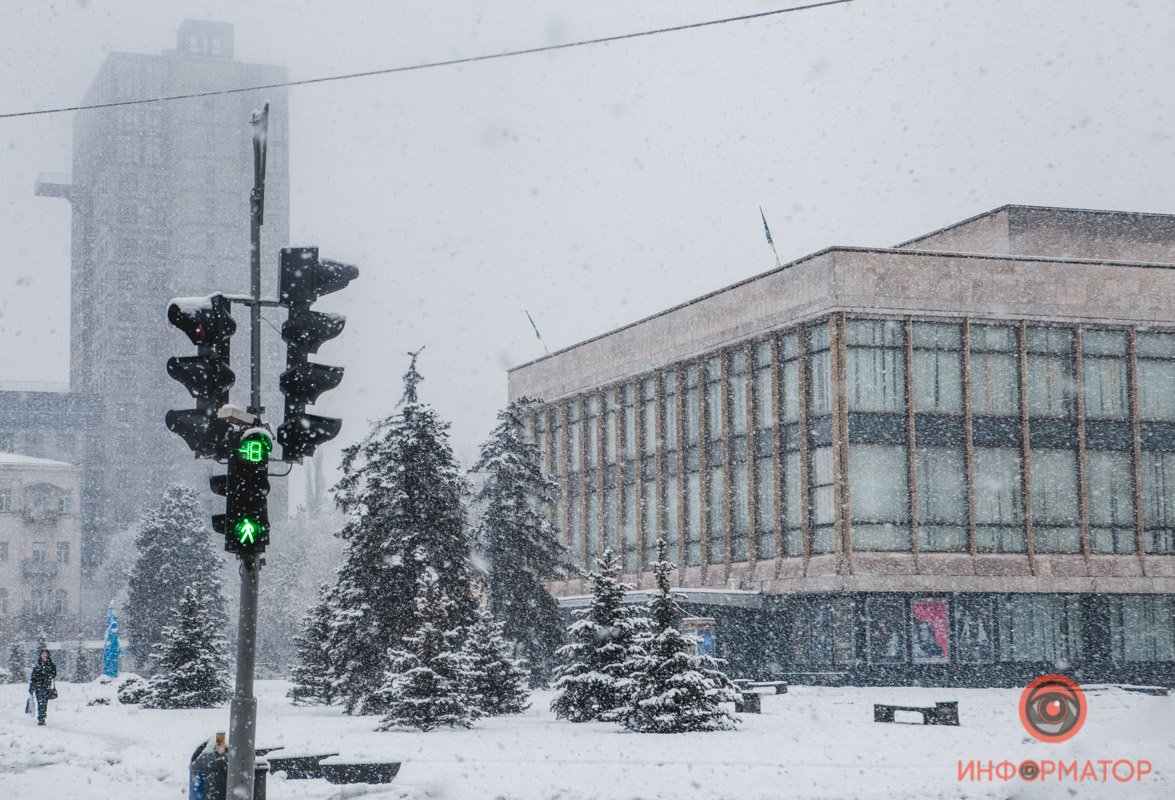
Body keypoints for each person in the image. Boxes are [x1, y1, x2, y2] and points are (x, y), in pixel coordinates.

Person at [29, 649, 57, 726]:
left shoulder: (51, 665)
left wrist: (48, 675)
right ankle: (41, 718)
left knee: (44, 703)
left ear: (48, 655)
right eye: (43, 654)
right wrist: (31, 688)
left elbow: (54, 674)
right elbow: (33, 678)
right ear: (40, 655)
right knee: (40, 702)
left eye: (46, 654)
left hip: (47, 687)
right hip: (38, 687)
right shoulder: (37, 666)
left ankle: (42, 716)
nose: (44, 655)